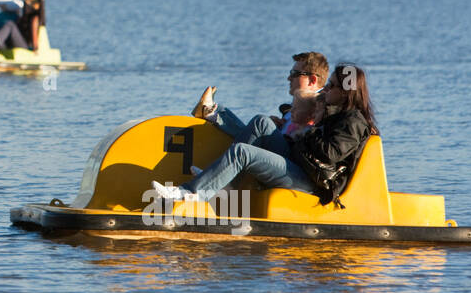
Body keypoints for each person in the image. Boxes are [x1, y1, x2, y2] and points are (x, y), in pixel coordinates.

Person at [155, 63, 379, 208]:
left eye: (331, 86)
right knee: (262, 121)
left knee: (243, 153)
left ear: (345, 91)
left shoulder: (352, 121)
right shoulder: (334, 112)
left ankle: (190, 192)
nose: (325, 89)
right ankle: (219, 179)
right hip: (301, 164)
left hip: (312, 182)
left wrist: (307, 131)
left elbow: (329, 154)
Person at [192, 52, 329, 157]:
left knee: (259, 123)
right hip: (279, 149)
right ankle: (214, 112)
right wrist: (279, 125)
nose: (289, 78)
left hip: (287, 161)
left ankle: (212, 113)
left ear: (312, 80)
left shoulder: (319, 106)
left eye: (294, 73)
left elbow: (307, 136)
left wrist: (281, 130)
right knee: (252, 129)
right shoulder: (303, 102)